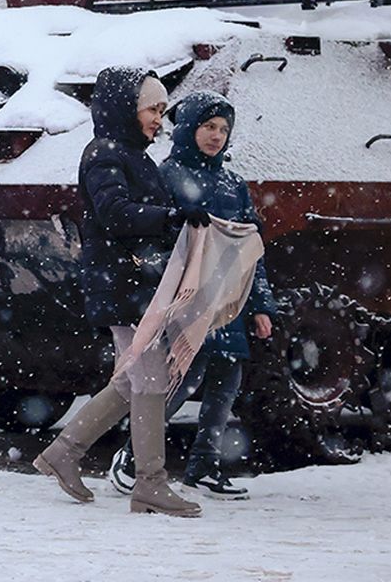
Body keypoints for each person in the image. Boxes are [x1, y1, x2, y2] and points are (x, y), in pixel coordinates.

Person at [34, 66, 206, 518]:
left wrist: (179, 218)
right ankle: (150, 483)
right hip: (123, 283)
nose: (158, 119)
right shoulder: (105, 153)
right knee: (149, 379)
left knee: (132, 379)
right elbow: (113, 212)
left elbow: (133, 213)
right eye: (152, 108)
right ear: (125, 109)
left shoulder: (129, 153)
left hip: (132, 283)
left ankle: (65, 452)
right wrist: (168, 217)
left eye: (163, 110)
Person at [106, 91, 277, 500]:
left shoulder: (233, 184)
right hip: (185, 296)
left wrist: (260, 306)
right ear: (188, 130)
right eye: (208, 126)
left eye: (223, 129)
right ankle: (132, 456)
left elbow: (251, 249)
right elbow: (152, 238)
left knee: (226, 380)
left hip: (226, 296)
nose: (216, 136)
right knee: (181, 377)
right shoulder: (165, 176)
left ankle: (204, 465)